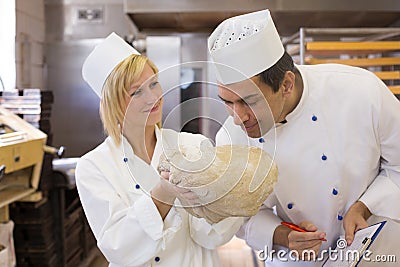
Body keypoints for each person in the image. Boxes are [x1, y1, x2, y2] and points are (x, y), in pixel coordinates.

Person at [208, 9, 400, 266]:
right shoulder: (231, 139)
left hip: (375, 252)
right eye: (227, 102)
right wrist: (283, 235)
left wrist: (364, 206)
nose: (237, 117)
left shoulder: (361, 93)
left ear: (286, 85)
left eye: (249, 101)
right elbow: (240, 216)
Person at [76, 32, 243, 267]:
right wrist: (163, 194)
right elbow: (119, 249)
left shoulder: (191, 145)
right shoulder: (94, 166)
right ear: (113, 102)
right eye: (137, 92)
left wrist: (228, 192)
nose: (154, 97)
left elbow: (209, 236)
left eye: (154, 84)